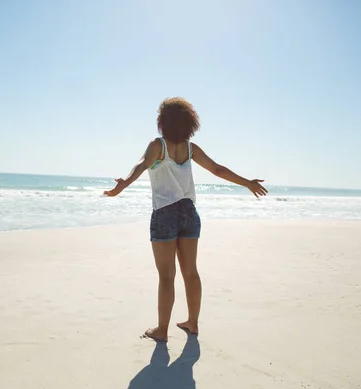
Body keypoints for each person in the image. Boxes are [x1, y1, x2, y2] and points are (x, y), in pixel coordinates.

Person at [104, 97, 267, 341]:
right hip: (189, 212)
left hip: (165, 214)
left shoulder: (158, 145)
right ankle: (192, 323)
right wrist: (248, 183)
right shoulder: (191, 148)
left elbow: (142, 164)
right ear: (189, 123)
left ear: (163, 122)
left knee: (167, 275)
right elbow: (218, 169)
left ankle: (162, 330)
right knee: (191, 272)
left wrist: (123, 185)